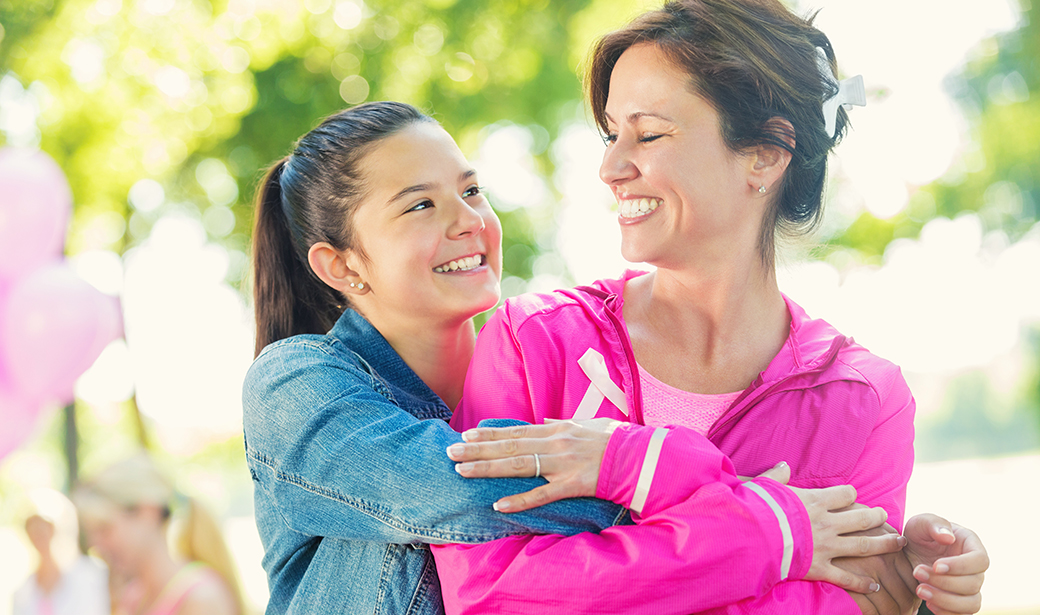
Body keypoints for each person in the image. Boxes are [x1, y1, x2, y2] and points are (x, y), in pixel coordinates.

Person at [242, 101, 909, 615]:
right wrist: (751, 519)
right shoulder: (296, 384)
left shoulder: (534, 363)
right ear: (341, 263)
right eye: (420, 204)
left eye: (471, 191)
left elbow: (610, 586)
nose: (468, 219)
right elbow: (467, 498)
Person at [434, 1, 988, 614]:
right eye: (611, 133)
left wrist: (634, 472)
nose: (611, 167)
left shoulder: (864, 401)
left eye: (648, 134)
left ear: (765, 155)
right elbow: (489, 593)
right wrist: (769, 537)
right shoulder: (534, 343)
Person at [72, 454, 244, 615]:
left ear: (148, 511)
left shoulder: (202, 599)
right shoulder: (133, 597)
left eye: (104, 529)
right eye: (92, 533)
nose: (95, 544)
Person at [12, 488, 109, 615]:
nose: (39, 533)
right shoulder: (23, 591)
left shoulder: (92, 575)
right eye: (32, 526)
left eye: (45, 526)